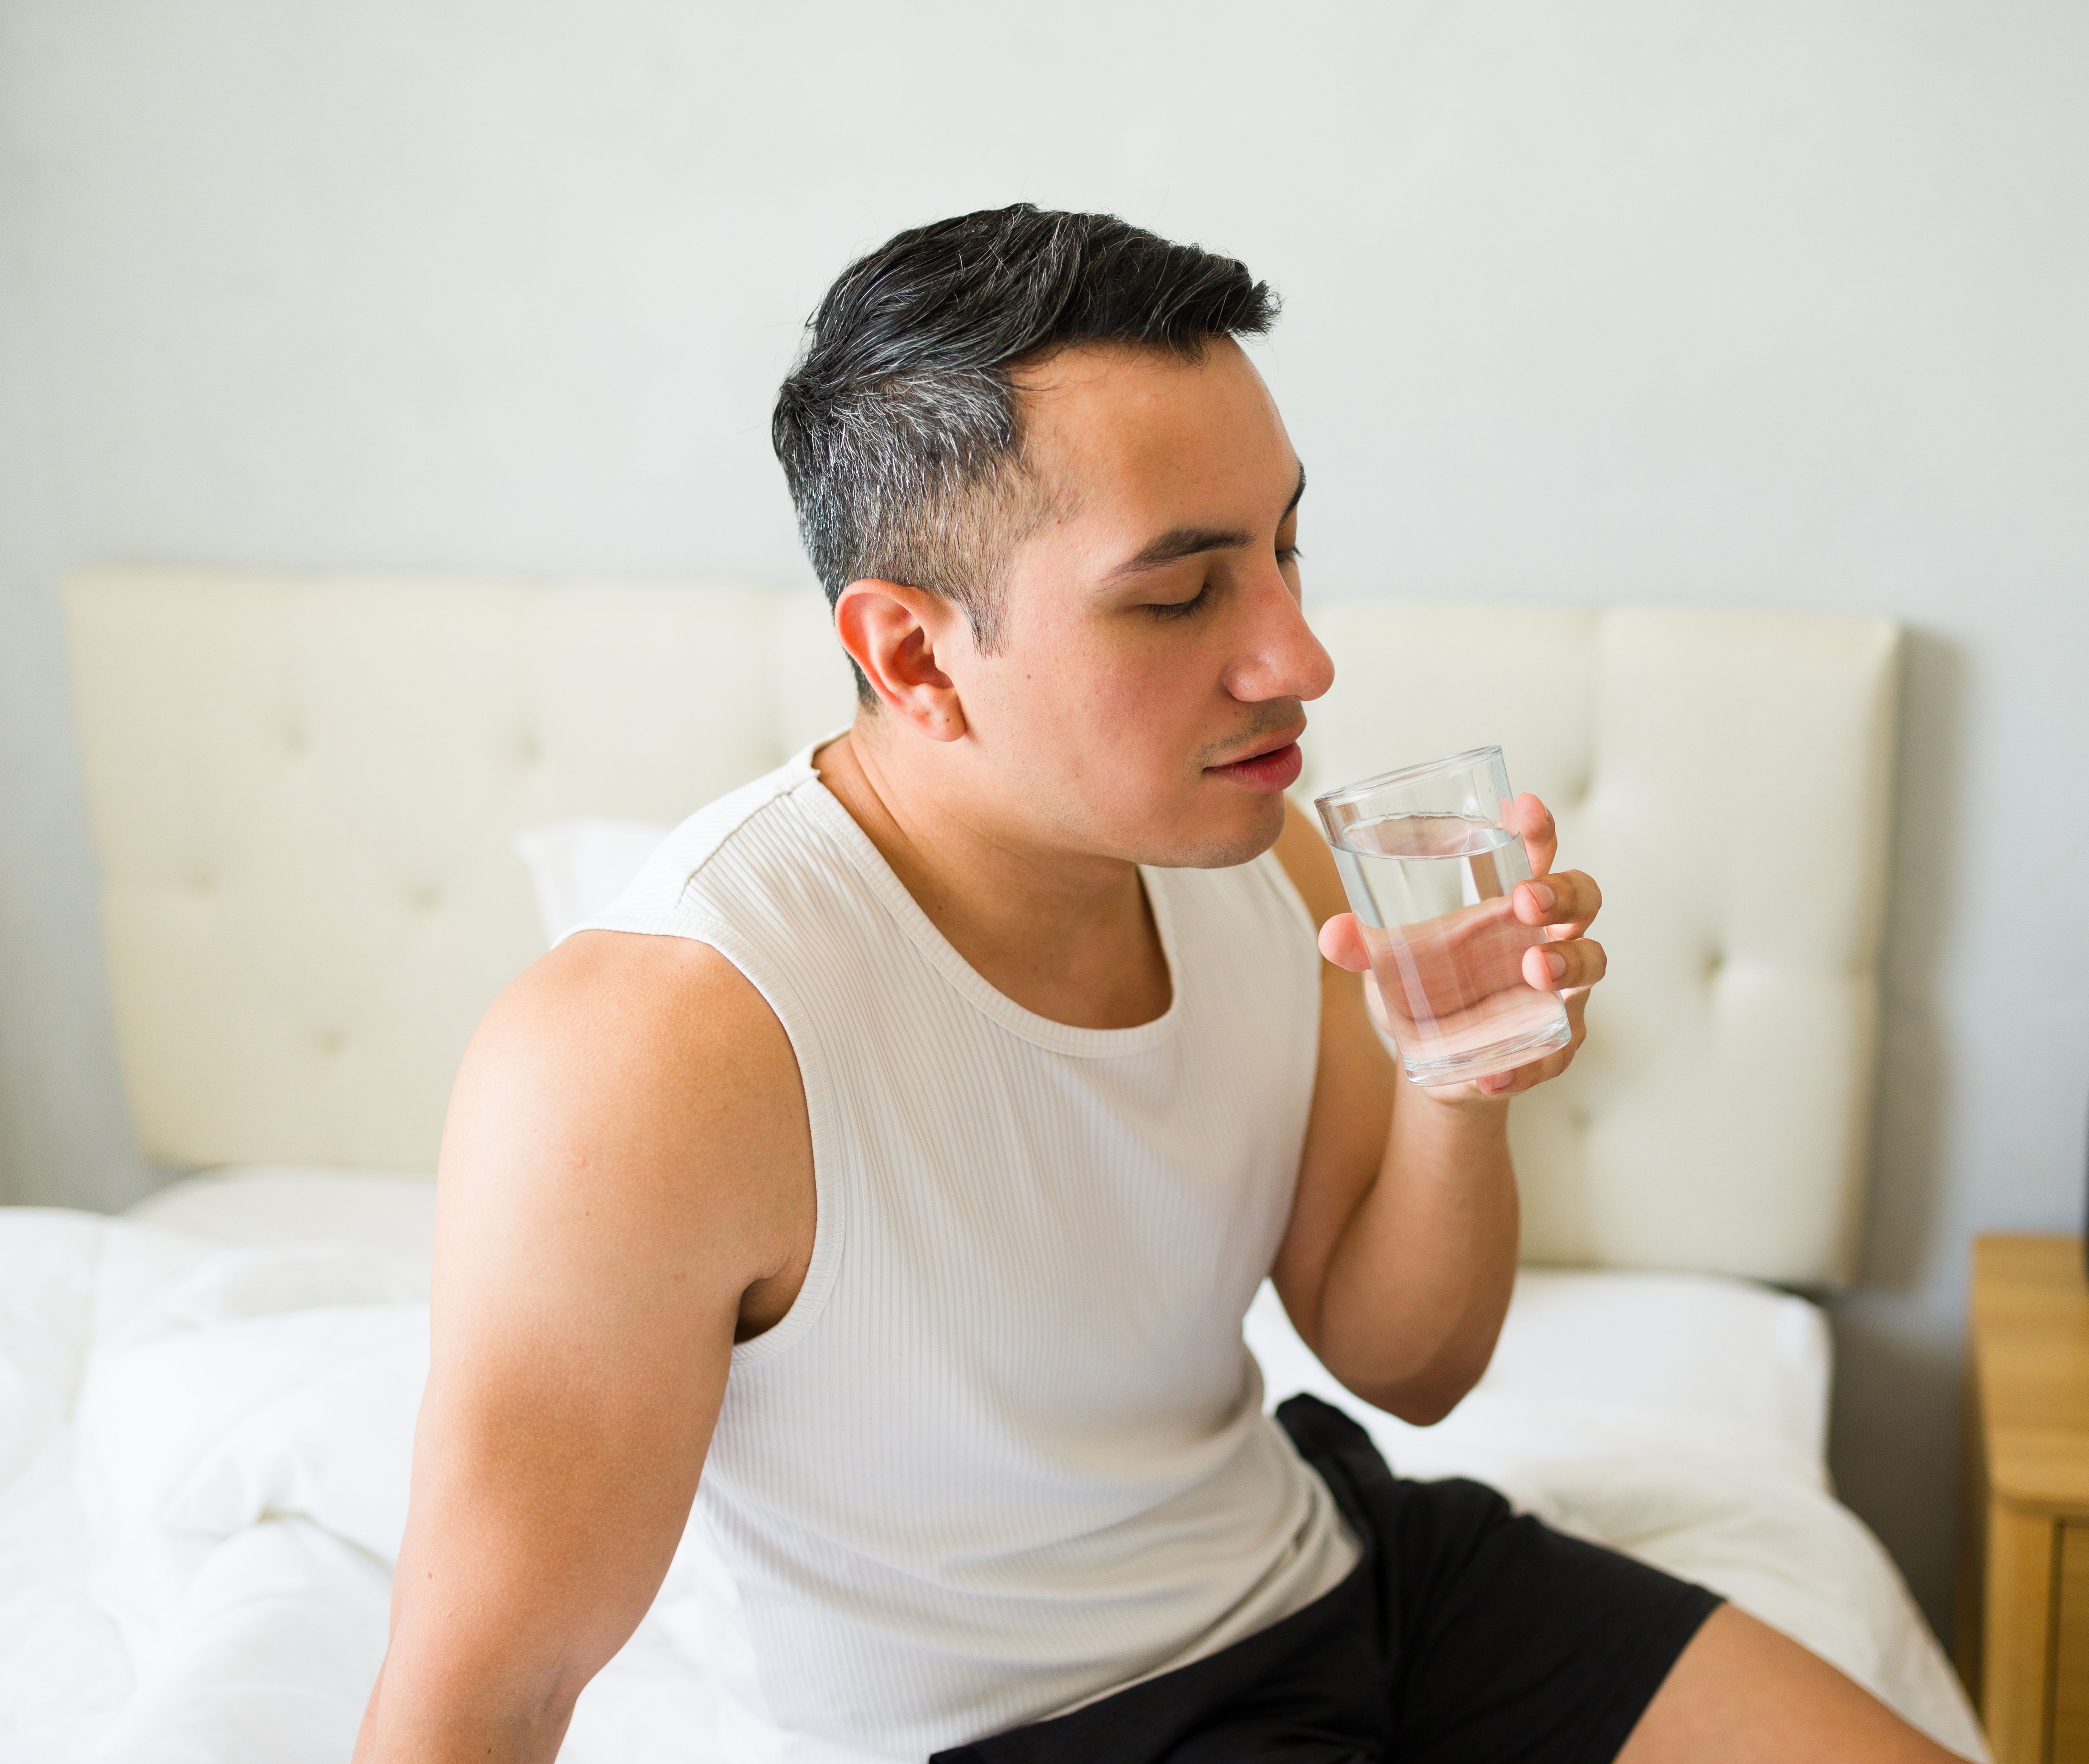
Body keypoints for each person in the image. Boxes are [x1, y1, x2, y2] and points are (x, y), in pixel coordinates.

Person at [354, 205, 1957, 1764]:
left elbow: (1412, 1365)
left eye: (1286, 547)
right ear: (914, 657)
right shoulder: (655, 1055)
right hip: (1040, 1727)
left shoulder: (1272, 870)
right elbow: (485, 1697)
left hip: (1355, 1569)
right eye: (1182, 592)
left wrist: (1454, 1084)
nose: (1300, 658)